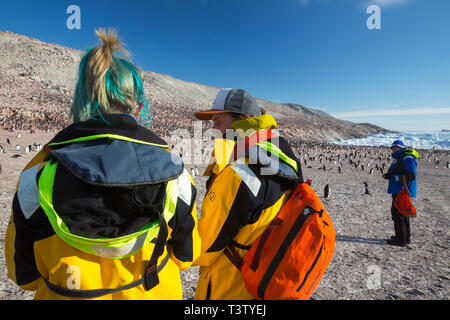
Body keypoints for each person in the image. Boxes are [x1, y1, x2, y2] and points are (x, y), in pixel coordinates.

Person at [5, 28, 200, 300]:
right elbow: (186, 257)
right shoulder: (175, 172)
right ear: (137, 105)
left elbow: (23, 276)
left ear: (82, 98)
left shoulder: (37, 174)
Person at [193, 88, 302, 300]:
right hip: (262, 278)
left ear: (244, 120)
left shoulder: (240, 170)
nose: (213, 130)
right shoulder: (279, 154)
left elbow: (204, 247)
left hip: (229, 287)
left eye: (218, 122)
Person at [383, 140, 418, 247]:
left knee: (398, 214)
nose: (393, 149)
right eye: (392, 147)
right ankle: (404, 237)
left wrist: (393, 177)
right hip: (397, 189)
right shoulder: (398, 158)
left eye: (396, 147)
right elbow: (396, 171)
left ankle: (401, 240)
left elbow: (411, 176)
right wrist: (389, 175)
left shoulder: (407, 158)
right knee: (401, 213)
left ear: (401, 148)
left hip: (402, 190)